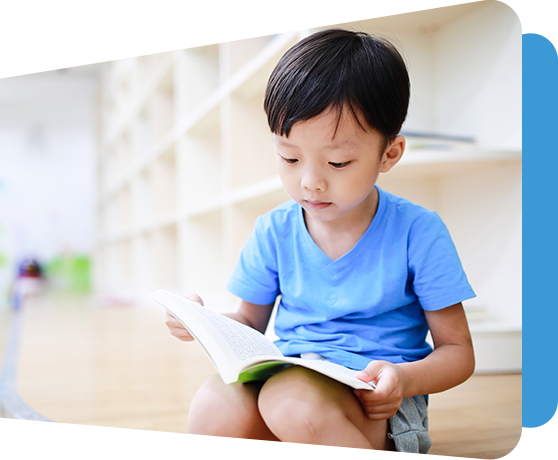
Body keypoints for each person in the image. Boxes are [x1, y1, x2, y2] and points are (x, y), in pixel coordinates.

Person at [165, 29, 475, 460]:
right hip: (287, 388)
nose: (310, 181)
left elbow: (458, 354)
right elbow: (248, 323)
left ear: (390, 153)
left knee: (289, 401)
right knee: (214, 406)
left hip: (379, 404)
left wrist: (403, 380)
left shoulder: (417, 232)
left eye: (338, 162)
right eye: (290, 158)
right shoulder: (274, 230)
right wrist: (204, 323)